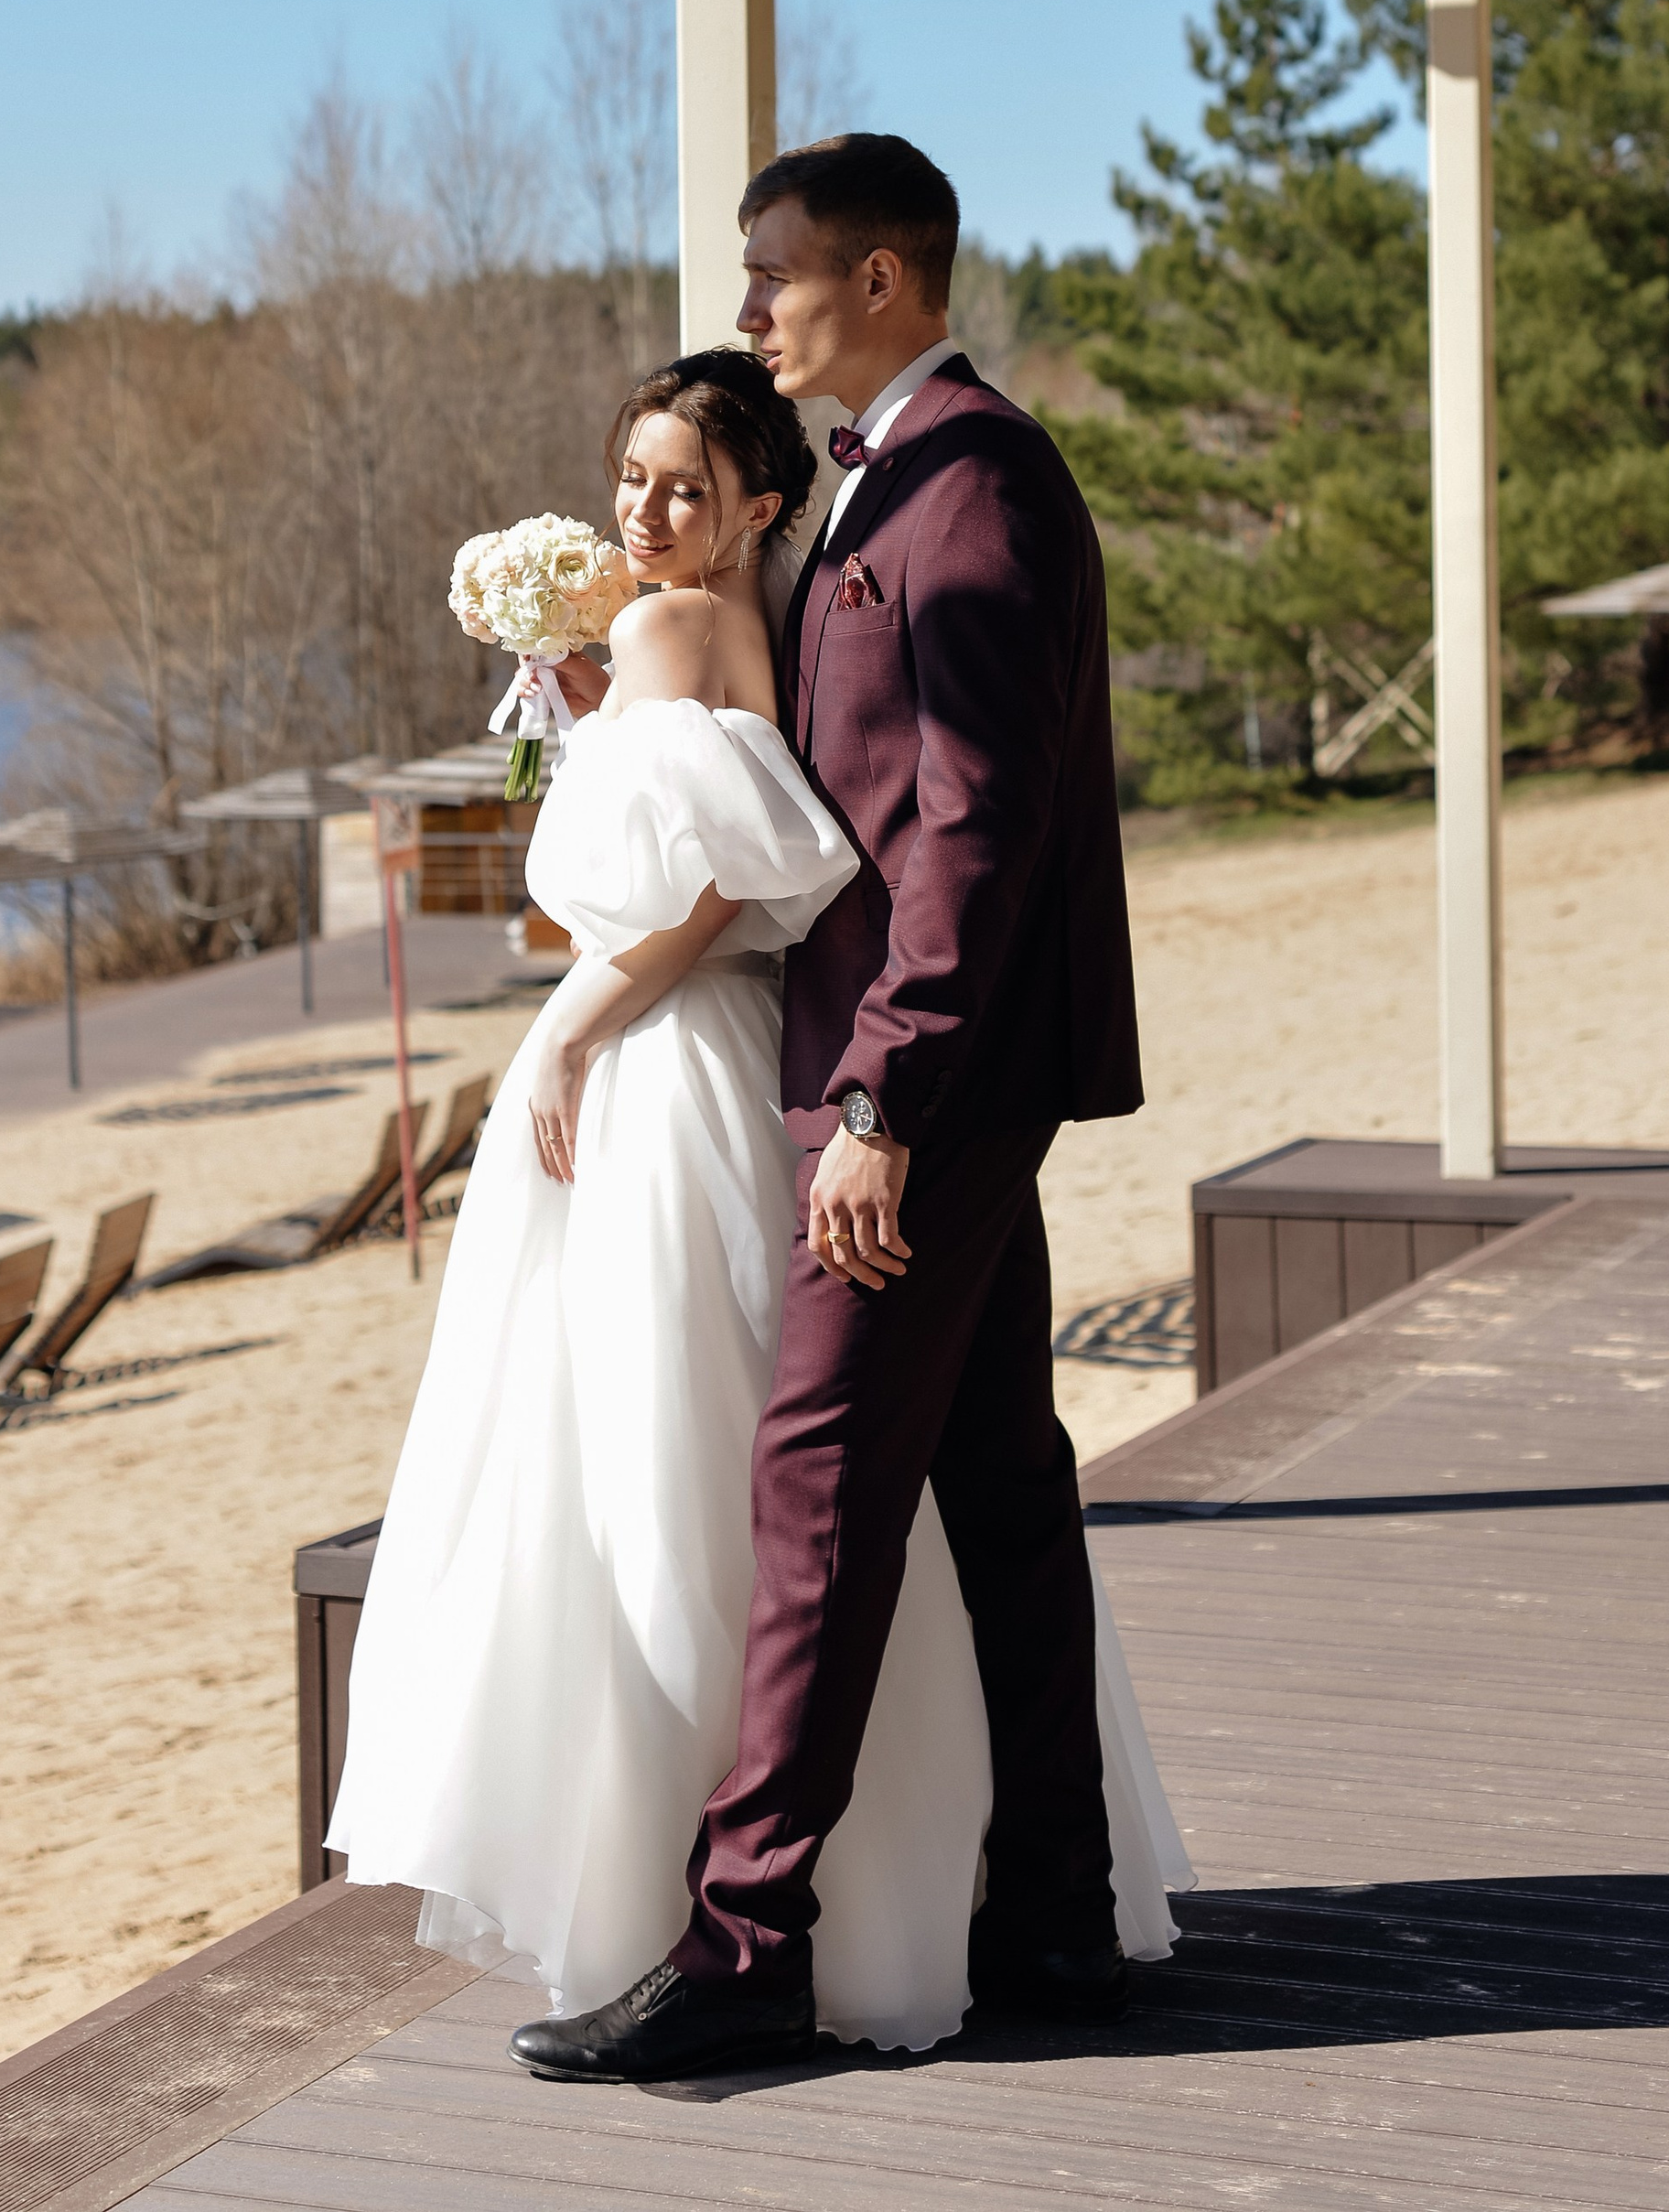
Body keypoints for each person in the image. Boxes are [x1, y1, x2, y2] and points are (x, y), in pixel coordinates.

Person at [331, 321, 1185, 2064]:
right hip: (787, 1072)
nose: (644, 513)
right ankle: (1030, 1910)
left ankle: (745, 1941)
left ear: (754, 504)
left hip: (760, 1081)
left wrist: (575, 1029)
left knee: (736, 1483)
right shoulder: (761, 607)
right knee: (937, 1494)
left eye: (681, 486)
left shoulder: (812, 559)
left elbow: (765, 873)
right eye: (629, 482)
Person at [510, 135, 1150, 2086]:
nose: (745, 308)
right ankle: (1048, 1908)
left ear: (878, 279)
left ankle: (743, 1943)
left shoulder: (966, 488)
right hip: (931, 1071)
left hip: (914, 1084)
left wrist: (879, 1086)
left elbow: (965, 823)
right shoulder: (890, 479)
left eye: (770, 274)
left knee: (812, 1485)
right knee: (1000, 1491)